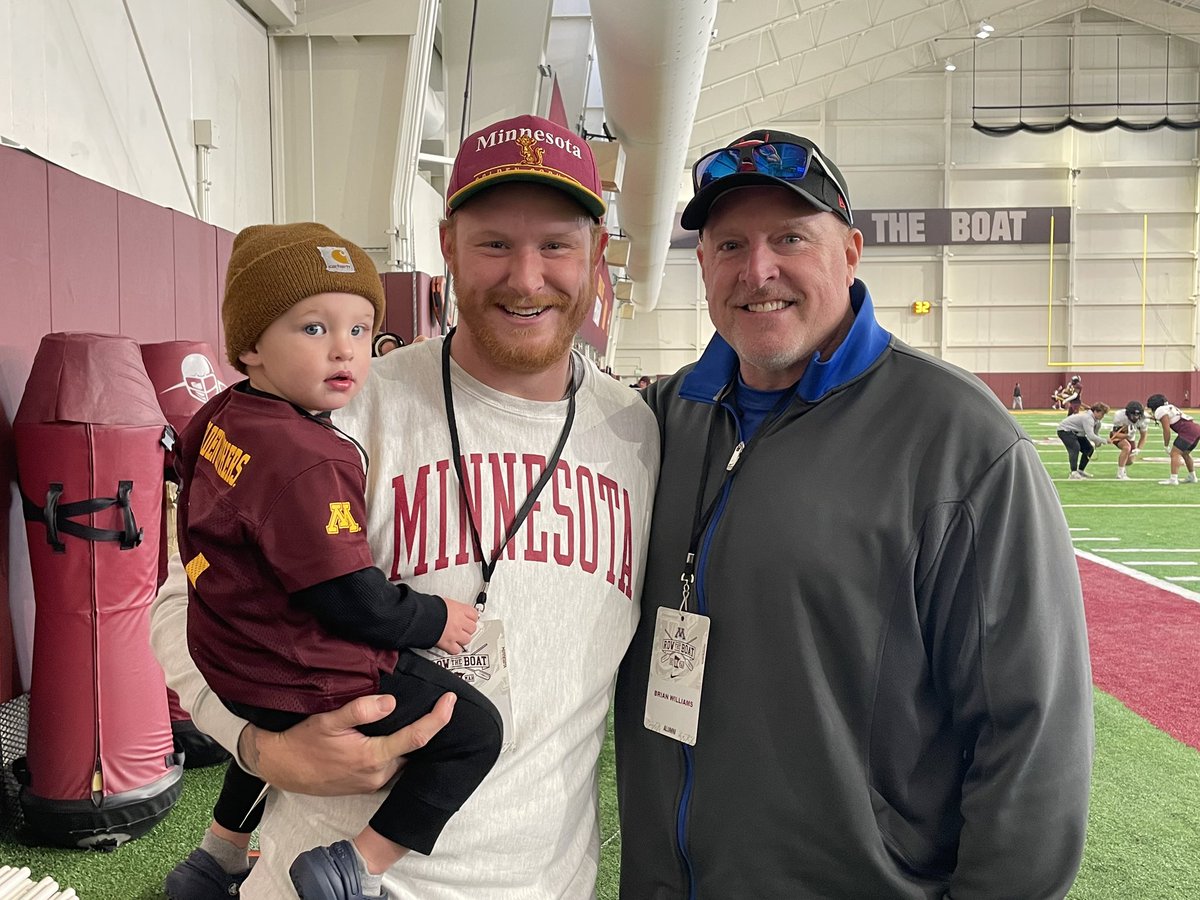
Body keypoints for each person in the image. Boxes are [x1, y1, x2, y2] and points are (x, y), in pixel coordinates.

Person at [150, 113, 660, 899]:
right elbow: (181, 604)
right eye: (495, 244)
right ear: (448, 246)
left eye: (555, 244)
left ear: (596, 259)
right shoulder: (336, 408)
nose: (527, 278)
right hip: (328, 879)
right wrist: (256, 747)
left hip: (544, 883)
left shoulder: (639, 434)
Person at [613, 129, 1093, 899]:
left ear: (851, 252)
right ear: (702, 266)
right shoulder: (664, 420)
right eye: (730, 243)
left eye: (790, 238)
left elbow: (1031, 729)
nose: (758, 269)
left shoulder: (956, 439)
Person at [164, 223, 503, 900]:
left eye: (360, 329)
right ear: (252, 345)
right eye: (314, 329)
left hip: (234, 659)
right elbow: (352, 598)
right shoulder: (310, 456)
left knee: (273, 721)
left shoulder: (225, 412)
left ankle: (217, 854)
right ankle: (356, 866)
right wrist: (436, 617)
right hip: (295, 672)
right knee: (473, 730)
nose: (345, 350)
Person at [1146, 393, 1199, 485]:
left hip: (1188, 430)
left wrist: (1166, 445)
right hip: (1195, 428)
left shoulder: (1160, 410)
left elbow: (1166, 430)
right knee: (1185, 453)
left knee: (1175, 453)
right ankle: (1192, 476)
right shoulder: (1169, 407)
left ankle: (1173, 479)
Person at [1057, 402, 1110, 479]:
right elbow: (1091, 436)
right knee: (1075, 447)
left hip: (1077, 433)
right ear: (1095, 411)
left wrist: (1098, 442)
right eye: (1102, 414)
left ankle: (1080, 471)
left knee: (1089, 449)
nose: (1102, 416)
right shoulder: (1088, 418)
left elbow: (1095, 434)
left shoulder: (1097, 422)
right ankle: (1073, 473)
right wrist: (1104, 441)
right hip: (1064, 430)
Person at [1109, 400, 1148, 480]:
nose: (1135, 417)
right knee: (1126, 447)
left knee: (1130, 461)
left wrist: (1138, 449)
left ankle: (1122, 465)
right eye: (1133, 415)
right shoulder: (1119, 416)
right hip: (1120, 434)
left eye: (1138, 415)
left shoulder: (1144, 419)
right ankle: (1120, 474)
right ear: (1127, 413)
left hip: (1131, 437)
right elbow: (1114, 434)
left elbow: (1143, 436)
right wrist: (1127, 435)